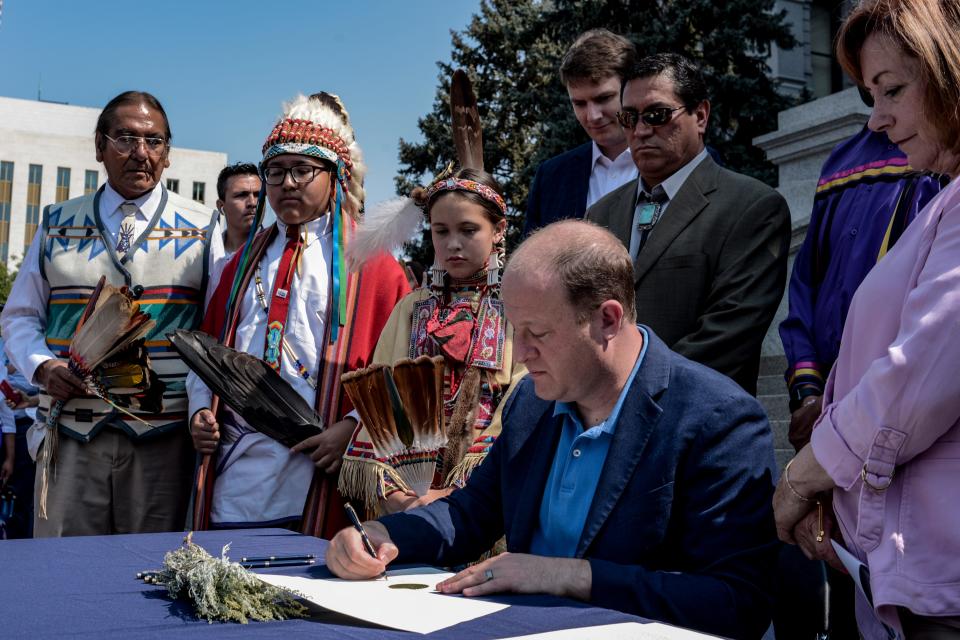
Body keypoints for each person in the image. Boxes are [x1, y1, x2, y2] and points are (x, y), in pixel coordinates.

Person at [327, 220, 778, 640]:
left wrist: (569, 576)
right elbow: (470, 513)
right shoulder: (531, 402)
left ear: (607, 319)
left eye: (537, 333)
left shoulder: (717, 419)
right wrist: (387, 535)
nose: (520, 353)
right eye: (514, 331)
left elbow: (737, 602)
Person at [773, 1, 960, 636]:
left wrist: (805, 475)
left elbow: (916, 376)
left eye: (893, 90)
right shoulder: (923, 186)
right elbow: (813, 288)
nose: (878, 118)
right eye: (868, 95)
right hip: (900, 564)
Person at [187, 93, 409, 538]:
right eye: (275, 171)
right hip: (238, 461)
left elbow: (401, 366)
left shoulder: (373, 264)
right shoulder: (240, 263)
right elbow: (207, 351)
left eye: (303, 170)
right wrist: (198, 413)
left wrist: (352, 427)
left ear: (335, 177)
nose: (287, 183)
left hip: (321, 456)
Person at [0, 91, 214, 537]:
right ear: (99, 147)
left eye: (154, 141)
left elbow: (214, 331)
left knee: (155, 575)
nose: (141, 153)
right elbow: (19, 315)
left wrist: (200, 409)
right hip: (70, 435)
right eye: (125, 138)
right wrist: (41, 366)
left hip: (163, 439)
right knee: (62, 573)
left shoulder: (203, 227)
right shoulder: (57, 222)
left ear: (168, 155)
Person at [587, 53, 790, 395]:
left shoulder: (752, 206)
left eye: (658, 115)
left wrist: (627, 393)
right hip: (601, 423)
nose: (640, 130)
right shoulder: (600, 214)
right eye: (629, 117)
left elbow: (728, 335)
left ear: (700, 115)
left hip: (695, 423)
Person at [341, 168, 525, 517]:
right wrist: (398, 495)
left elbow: (525, 399)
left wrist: (463, 489)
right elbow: (381, 399)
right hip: (409, 498)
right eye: (441, 231)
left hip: (492, 497)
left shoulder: (519, 307)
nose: (453, 243)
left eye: (469, 230)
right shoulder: (411, 308)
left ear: (499, 230)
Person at [523, 29, 637, 236]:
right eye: (580, 103)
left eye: (603, 98)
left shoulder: (683, 162)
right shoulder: (551, 177)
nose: (593, 116)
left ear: (632, 90)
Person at [209, 162, 262, 274]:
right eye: (242, 195)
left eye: (258, 195)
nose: (252, 203)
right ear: (221, 206)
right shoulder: (206, 255)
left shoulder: (278, 251)